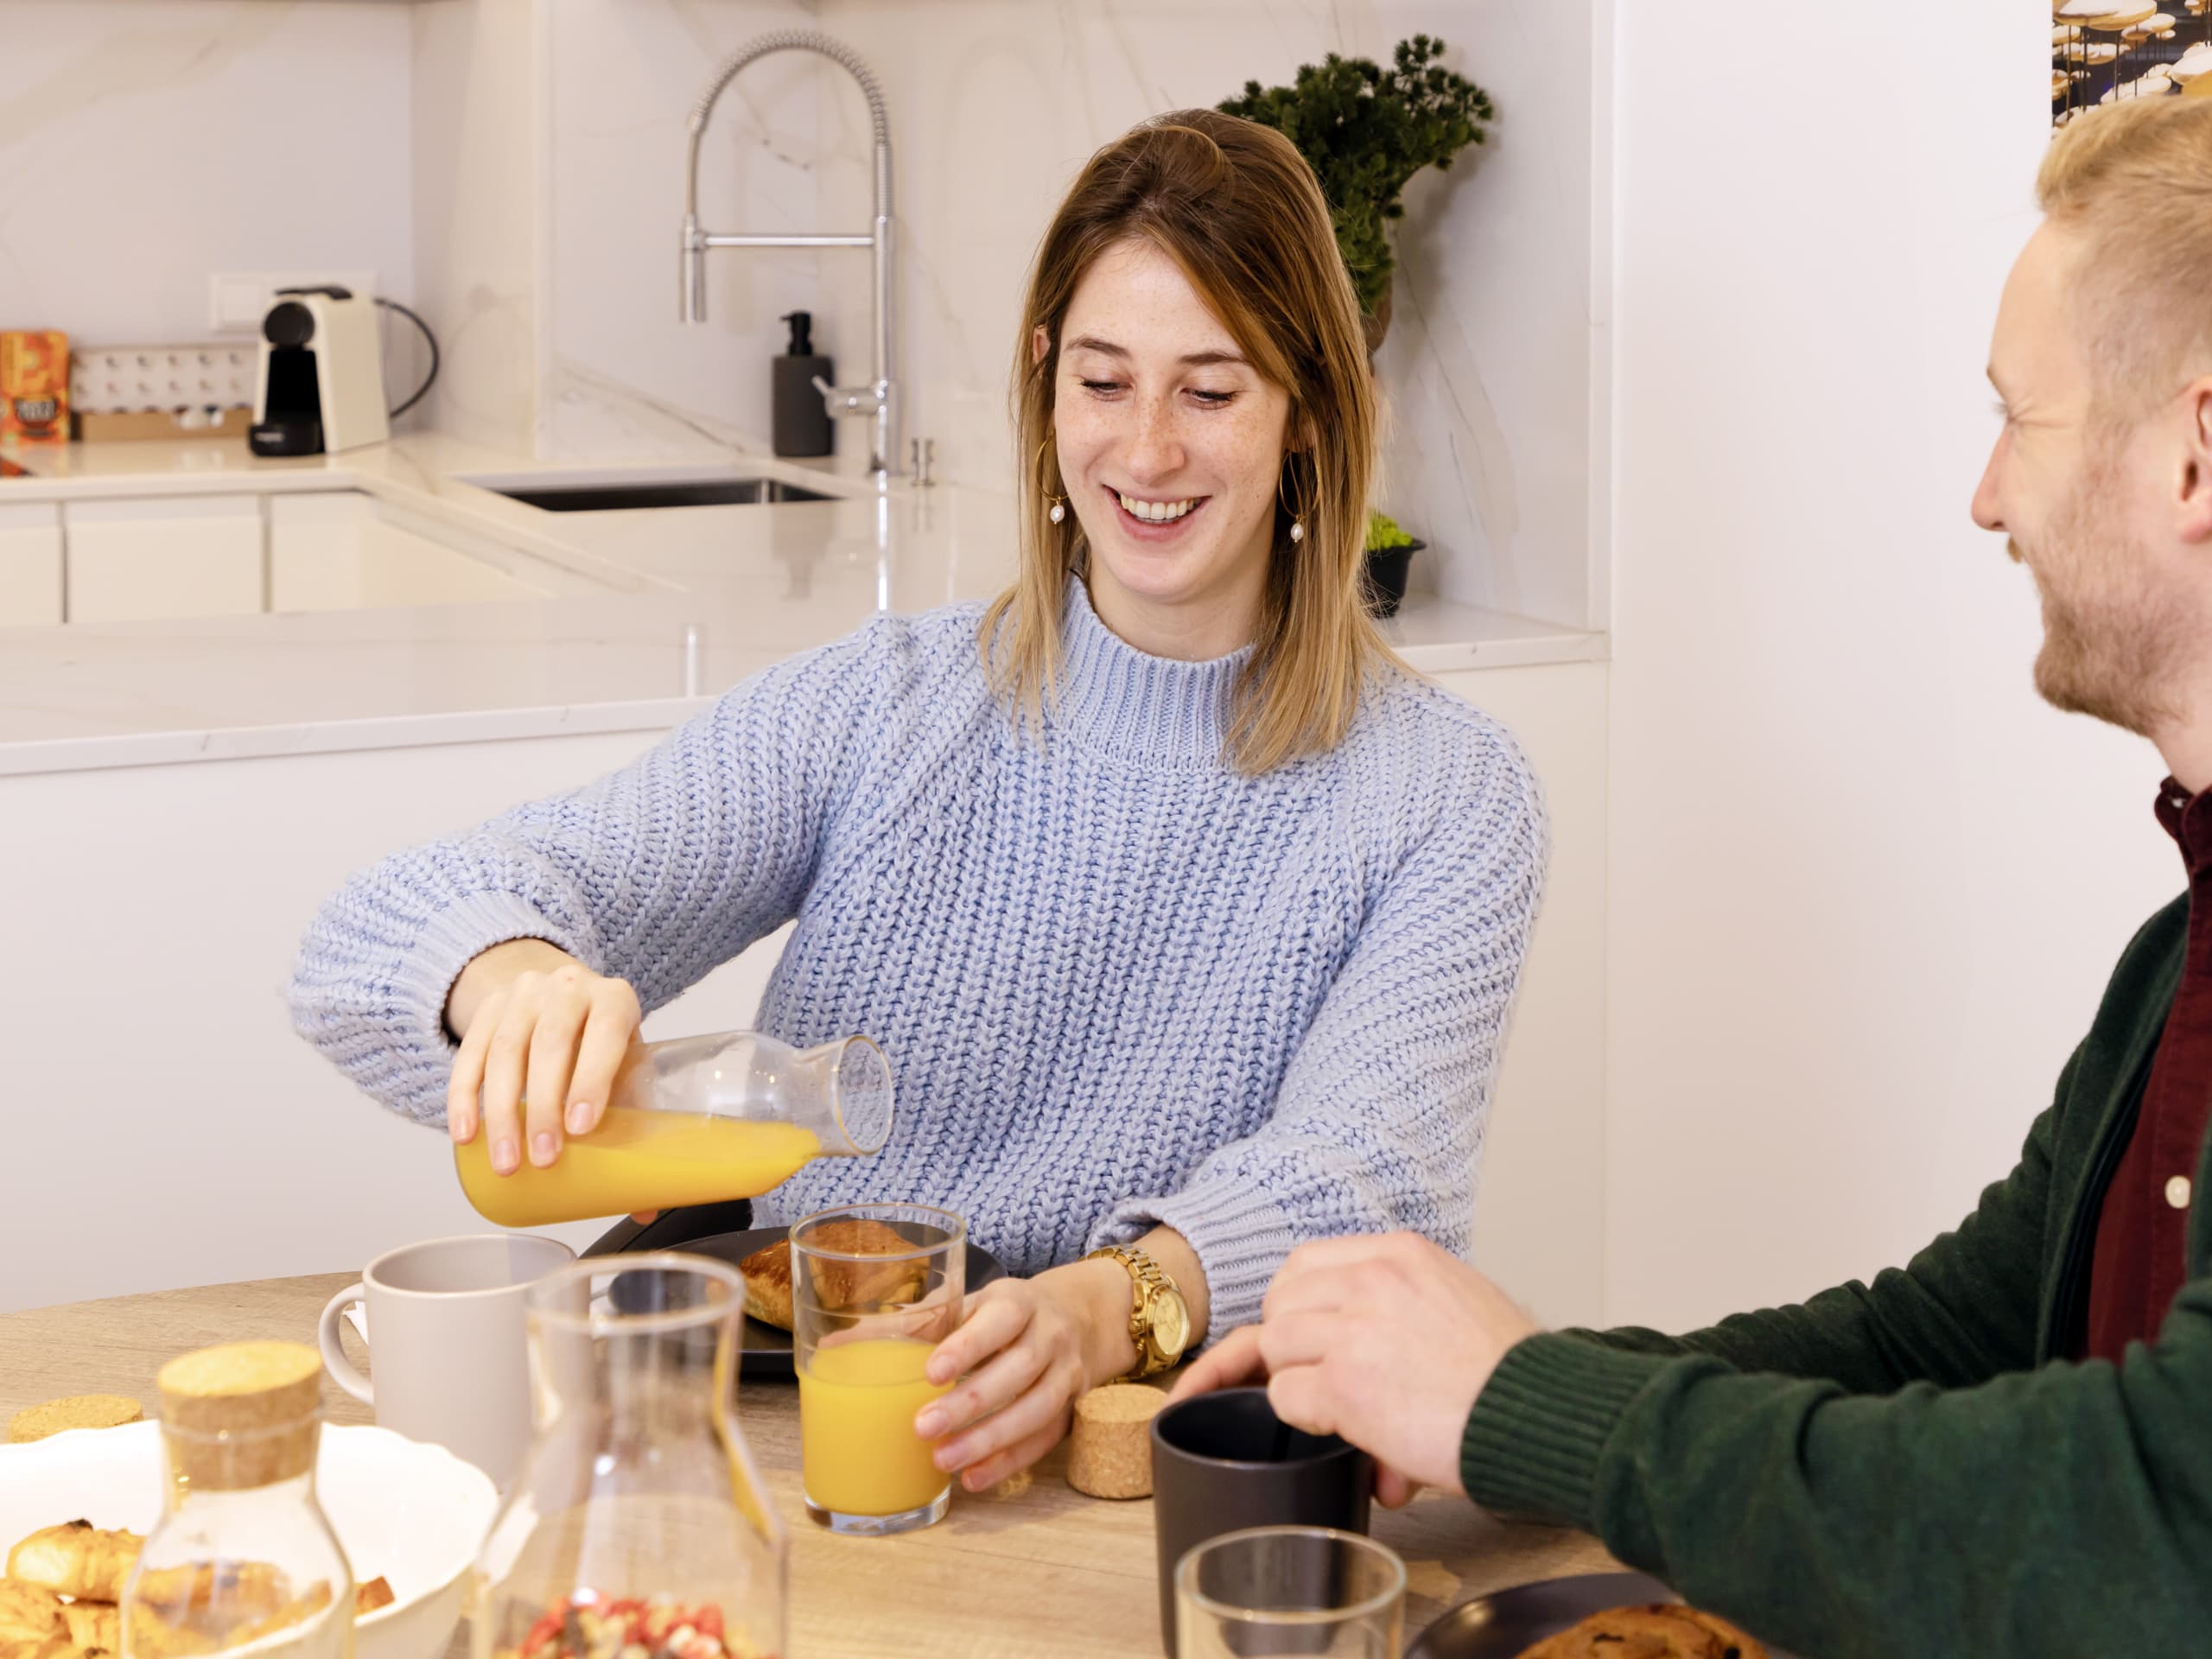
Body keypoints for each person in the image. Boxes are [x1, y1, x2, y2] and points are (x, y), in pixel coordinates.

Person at [287, 109, 1544, 1493]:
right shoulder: (892, 703)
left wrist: (1107, 1303)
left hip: (1127, 1471)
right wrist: (509, 976)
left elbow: (1374, 1181)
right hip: (782, 1432)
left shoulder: (1442, 792)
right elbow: (363, 942)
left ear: (1306, 410)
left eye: (1211, 390)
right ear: (1043, 381)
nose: (1146, 450)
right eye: (1105, 381)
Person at [1173, 97, 2212, 1656]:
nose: (1986, 496)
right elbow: (1938, 1340)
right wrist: (1477, 1390)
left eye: (2020, 418)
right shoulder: (2176, 962)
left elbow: (2151, 1519)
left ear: (2197, 455)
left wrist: (1520, 1400)